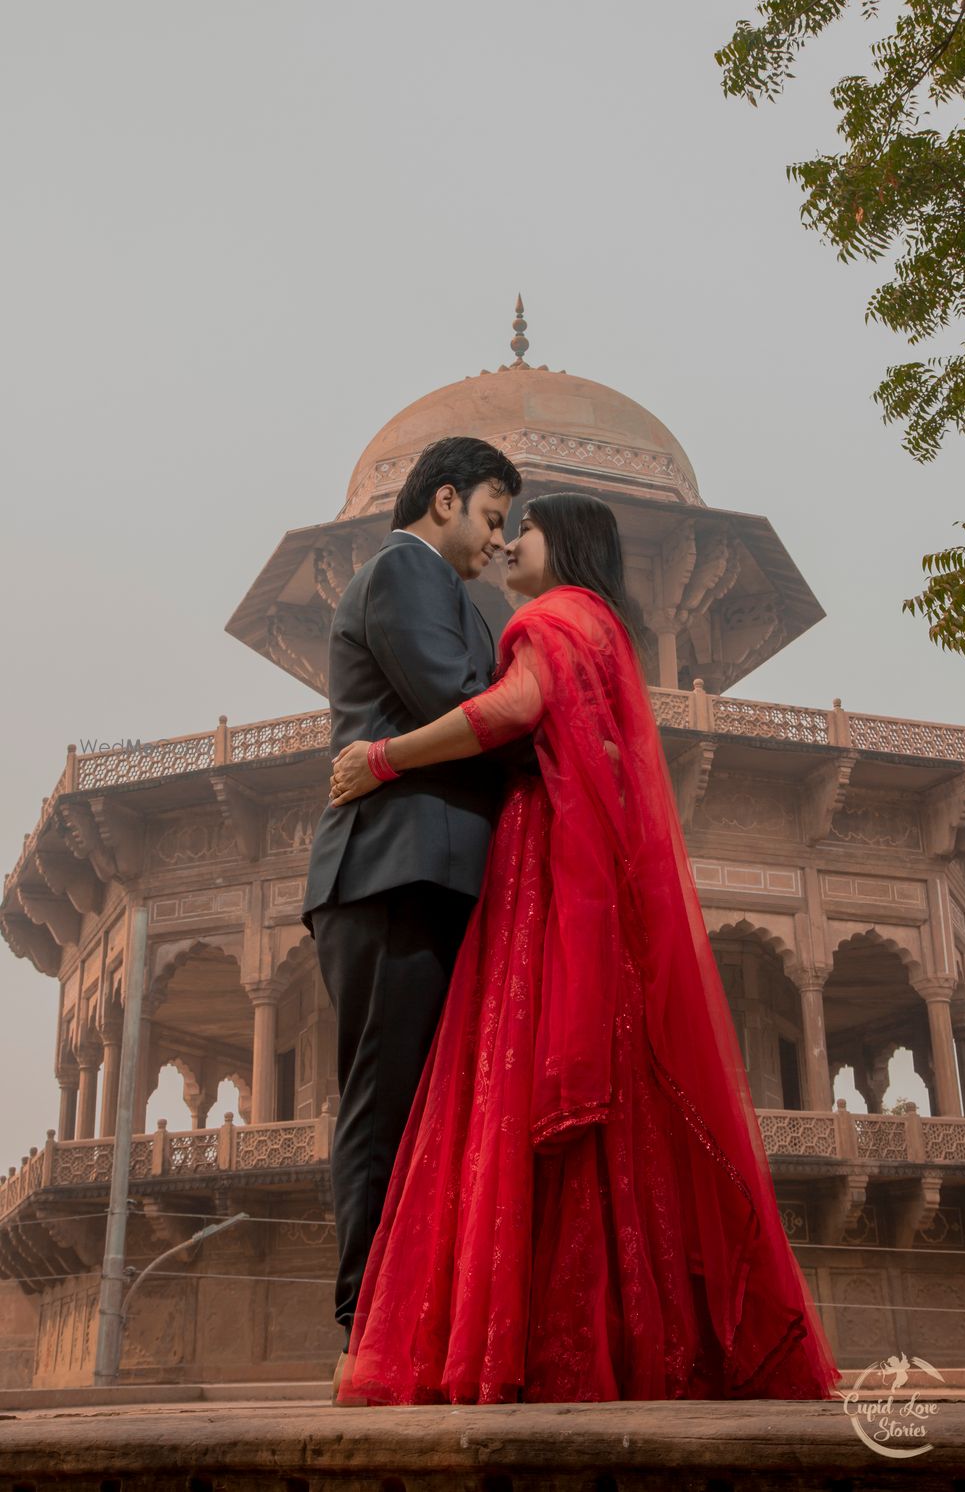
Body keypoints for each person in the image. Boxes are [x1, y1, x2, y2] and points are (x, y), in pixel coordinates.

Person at [328, 492, 840, 1404]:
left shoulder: (550, 619)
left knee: (519, 1084)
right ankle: (639, 1338)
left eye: (518, 527)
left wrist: (388, 757)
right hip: (595, 878)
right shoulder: (606, 629)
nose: (506, 540)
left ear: (559, 545)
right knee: (617, 1102)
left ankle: (531, 1340)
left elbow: (512, 709)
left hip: (546, 871)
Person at [300, 436, 522, 1398]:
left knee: (424, 1105)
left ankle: (410, 1319)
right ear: (444, 501)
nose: (499, 542)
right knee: (386, 1100)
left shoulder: (447, 589)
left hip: (425, 869)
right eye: (492, 517)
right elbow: (461, 702)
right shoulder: (406, 572)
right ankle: (365, 1325)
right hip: (395, 868)